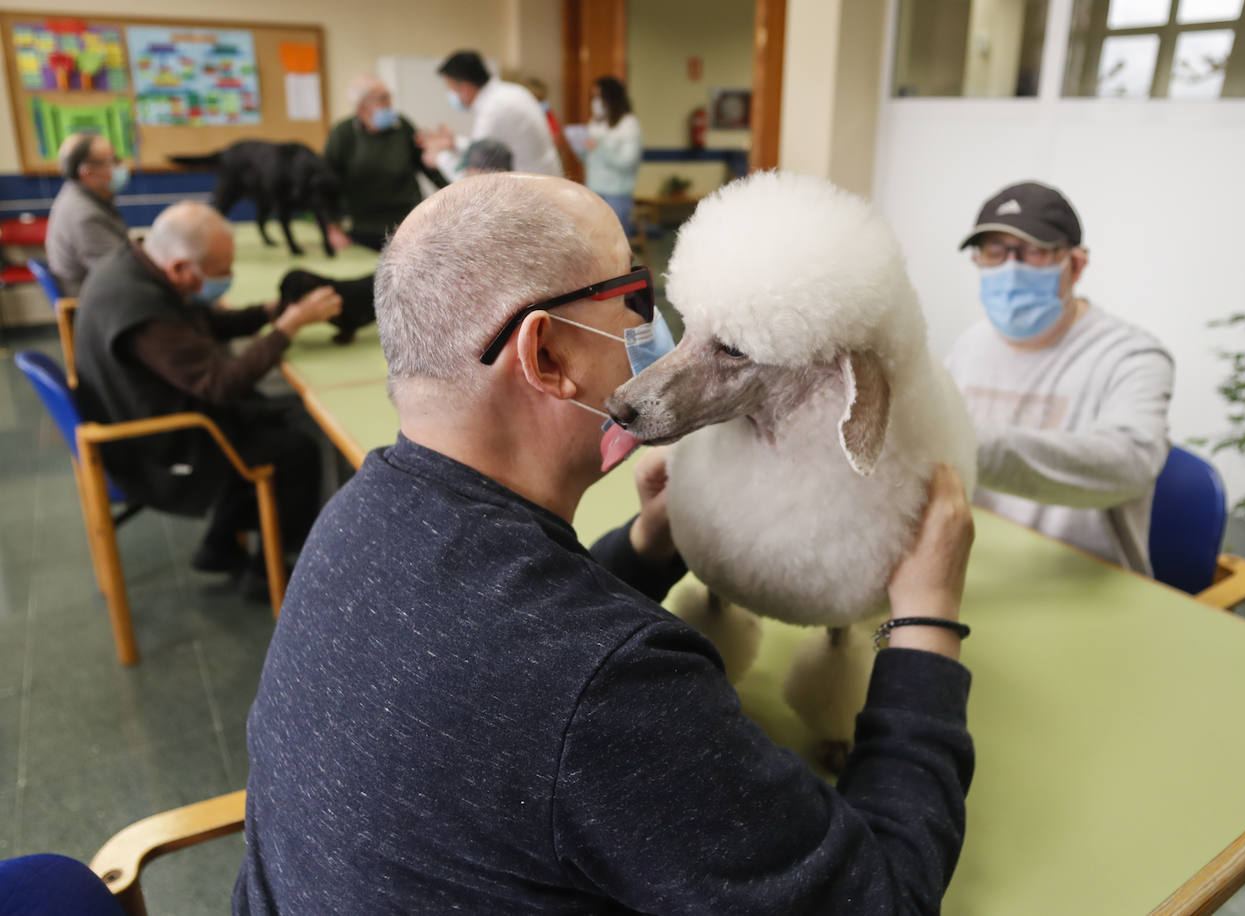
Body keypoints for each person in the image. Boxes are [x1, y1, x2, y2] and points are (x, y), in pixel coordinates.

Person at [233, 173, 976, 913]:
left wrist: (648, 546)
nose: (650, 340)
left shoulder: (353, 516)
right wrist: (925, 622)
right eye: (635, 302)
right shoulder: (615, 691)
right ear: (548, 355)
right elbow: (885, 898)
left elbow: (506, 651)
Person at [73, 202, 342, 596]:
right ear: (180, 268)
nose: (228, 279)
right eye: (222, 272)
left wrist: (269, 312)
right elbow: (220, 383)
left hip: (145, 408)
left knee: (273, 415)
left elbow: (202, 324)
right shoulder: (141, 309)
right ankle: (267, 572)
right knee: (298, 449)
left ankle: (219, 546)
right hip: (159, 445)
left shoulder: (136, 265)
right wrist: (288, 328)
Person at [944, 180, 1174, 574]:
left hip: (1087, 578)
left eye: (1034, 251)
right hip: (976, 564)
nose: (1010, 268)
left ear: (1076, 265)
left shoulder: (1131, 356)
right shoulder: (969, 346)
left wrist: (964, 442)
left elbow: (1130, 464)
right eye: (993, 252)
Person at [323, 75, 448, 252]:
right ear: (361, 107)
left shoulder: (402, 126)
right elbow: (326, 184)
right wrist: (332, 229)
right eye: (382, 99)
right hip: (362, 229)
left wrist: (457, 193)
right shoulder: (343, 134)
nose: (390, 104)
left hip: (408, 225)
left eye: (389, 97)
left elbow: (429, 168)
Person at [419, 51, 561, 179]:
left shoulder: (494, 110)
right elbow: (490, 145)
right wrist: (454, 143)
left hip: (534, 190)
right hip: (547, 179)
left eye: (451, 89)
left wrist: (439, 157)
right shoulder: (511, 92)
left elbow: (475, 180)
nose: (451, 95)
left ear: (465, 87)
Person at [45, 131, 131, 296]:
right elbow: (118, 274)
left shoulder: (79, 197)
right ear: (88, 172)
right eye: (113, 161)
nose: (121, 165)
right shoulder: (84, 215)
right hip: (96, 302)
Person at [580, 75, 642, 237]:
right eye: (593, 97)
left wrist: (600, 147)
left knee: (615, 240)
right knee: (594, 240)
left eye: (599, 96)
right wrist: (582, 149)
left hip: (617, 193)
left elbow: (627, 162)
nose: (595, 101)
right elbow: (589, 160)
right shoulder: (595, 123)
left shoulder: (628, 124)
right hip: (593, 189)